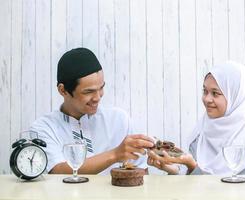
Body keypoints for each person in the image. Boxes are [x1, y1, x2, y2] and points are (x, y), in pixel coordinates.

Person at [30, 47, 154, 175]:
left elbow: (141, 173)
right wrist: (115, 154)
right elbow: (58, 171)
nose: (97, 97)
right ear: (63, 90)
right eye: (88, 92)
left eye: (101, 88)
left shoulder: (119, 120)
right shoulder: (44, 128)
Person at [147, 61, 245, 175]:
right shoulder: (201, 134)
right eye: (205, 91)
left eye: (215, 93)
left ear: (236, 97)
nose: (207, 99)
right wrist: (175, 170)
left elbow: (243, 190)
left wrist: (192, 165)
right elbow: (194, 189)